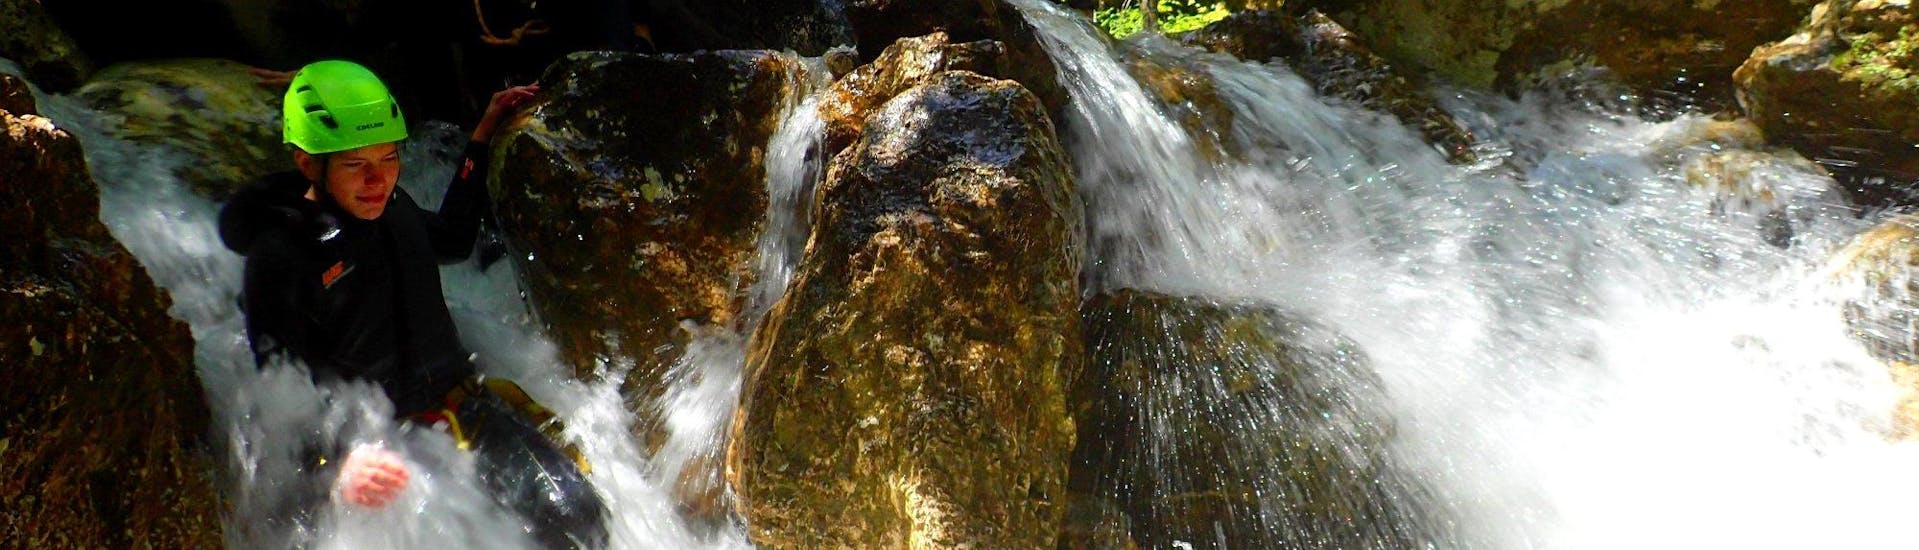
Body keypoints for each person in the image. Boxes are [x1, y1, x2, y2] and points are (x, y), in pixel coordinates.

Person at [218, 59, 605, 549]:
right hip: (377, 447)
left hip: (458, 408)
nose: (378, 180)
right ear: (307, 163)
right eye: (358, 165)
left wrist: (481, 138)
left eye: (389, 158)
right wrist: (337, 467)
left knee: (579, 521)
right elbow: (279, 386)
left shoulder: (392, 206)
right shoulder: (282, 256)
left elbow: (454, 240)